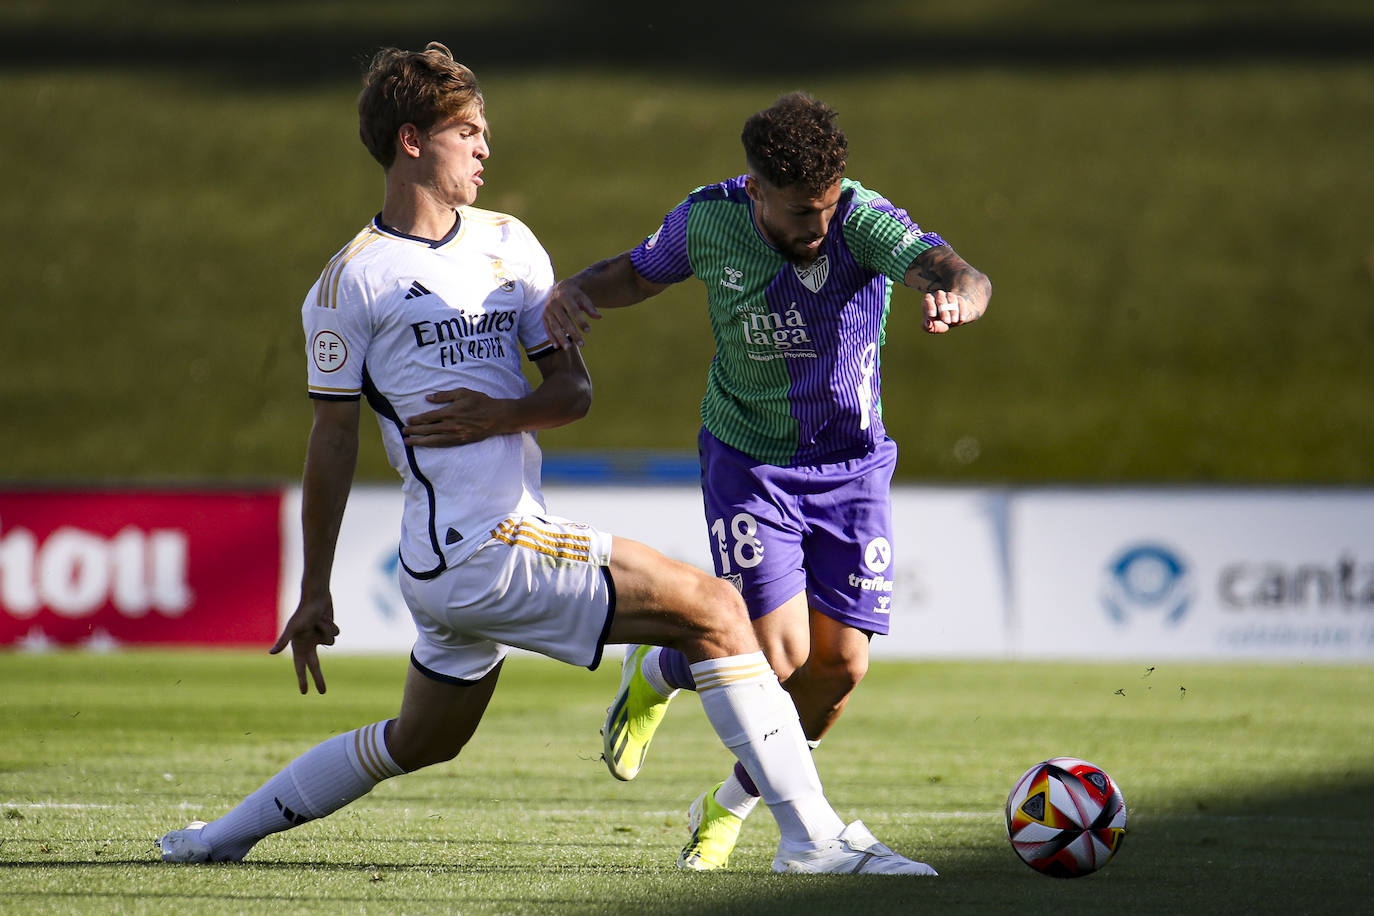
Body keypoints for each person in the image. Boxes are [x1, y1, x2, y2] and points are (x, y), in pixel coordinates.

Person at [156, 45, 935, 877]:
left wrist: (504, 413)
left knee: (419, 740)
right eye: (468, 132)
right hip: (477, 548)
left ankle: (215, 838)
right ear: (412, 140)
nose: (486, 147)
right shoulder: (352, 285)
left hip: (472, 556)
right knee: (715, 608)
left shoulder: (510, 244)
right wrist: (314, 587)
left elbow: (573, 394)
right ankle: (812, 840)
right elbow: (333, 439)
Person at [542, 91, 991, 870]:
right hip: (753, 461)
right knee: (776, 659)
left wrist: (959, 299)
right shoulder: (707, 219)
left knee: (838, 671)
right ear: (755, 191)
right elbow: (637, 275)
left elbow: (955, 270)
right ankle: (662, 670)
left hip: (852, 467)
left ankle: (725, 801)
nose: (814, 230)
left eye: (822, 210)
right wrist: (572, 290)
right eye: (795, 214)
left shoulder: (863, 220)